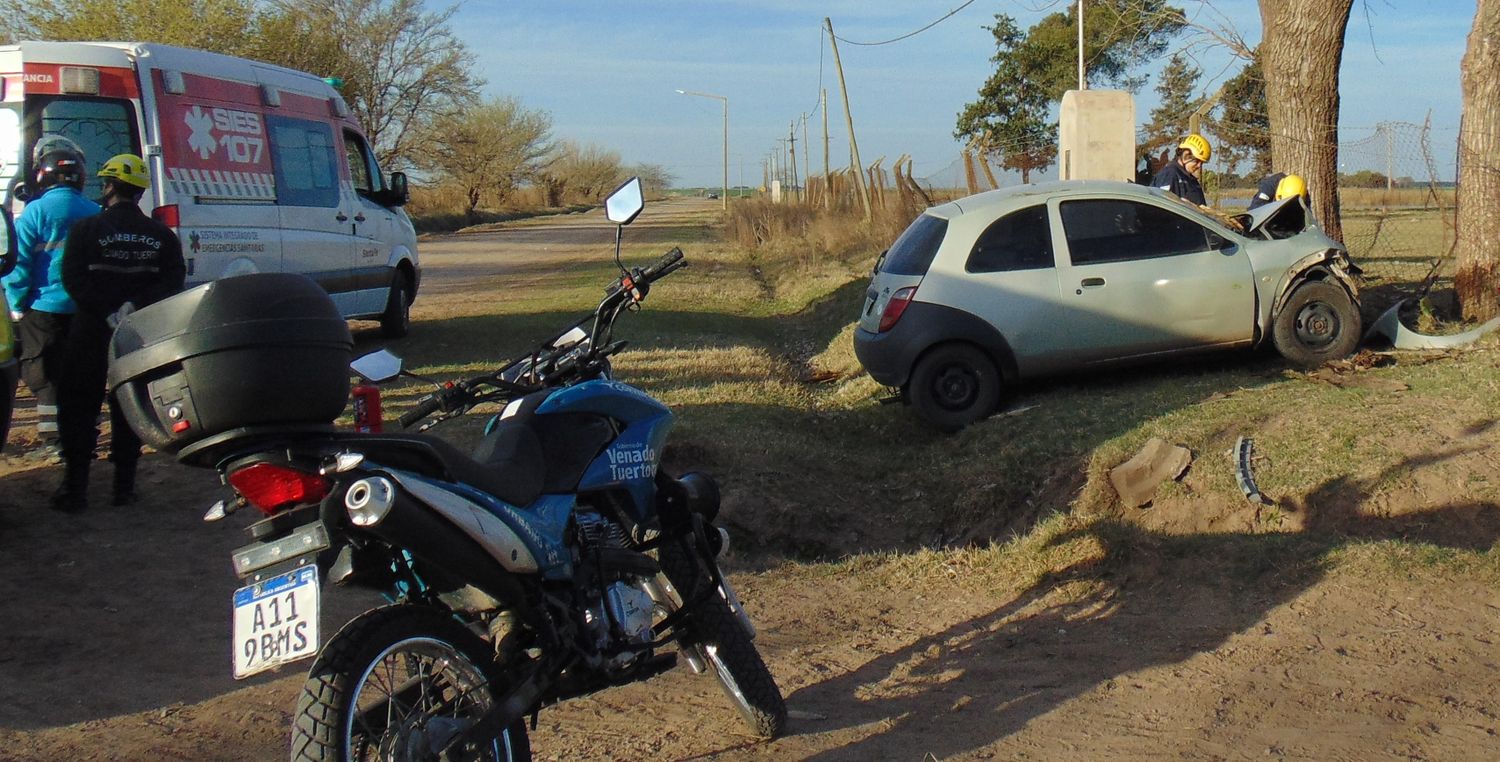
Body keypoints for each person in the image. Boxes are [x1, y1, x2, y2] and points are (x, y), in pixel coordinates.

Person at [52, 154, 184, 512]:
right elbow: (173, 281)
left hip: (91, 331)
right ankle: (123, 488)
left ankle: (75, 489)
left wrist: (106, 309)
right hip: (136, 336)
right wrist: (133, 306)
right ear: (140, 192)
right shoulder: (161, 236)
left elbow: (73, 280)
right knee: (129, 407)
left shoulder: (85, 230)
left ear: (109, 187)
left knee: (78, 409)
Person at [2, 137, 101, 460]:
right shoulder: (96, 213)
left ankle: (54, 444)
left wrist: (15, 305)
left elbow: (19, 265)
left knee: (44, 377)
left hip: (41, 310)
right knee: (82, 375)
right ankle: (85, 435)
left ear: (42, 174)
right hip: (85, 310)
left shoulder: (34, 213)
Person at [1151, 134, 1211, 207]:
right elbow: (1162, 207)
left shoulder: (1191, 180)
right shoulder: (1169, 174)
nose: (1199, 166)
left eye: (1202, 163)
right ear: (1186, 155)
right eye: (1197, 161)